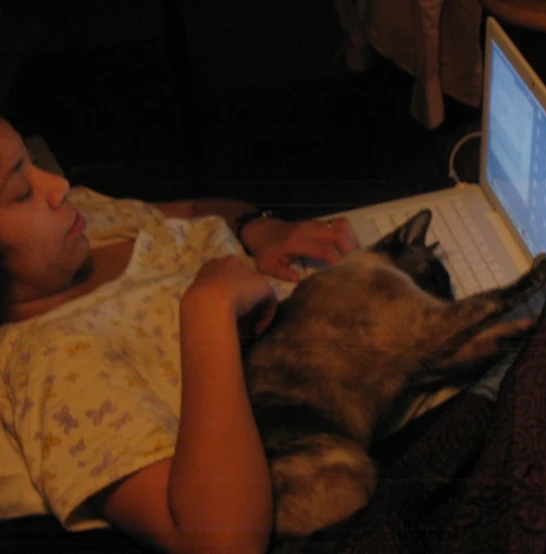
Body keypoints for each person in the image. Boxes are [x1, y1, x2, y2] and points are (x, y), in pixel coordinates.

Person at [0, 116, 359, 554]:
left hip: (332, 300)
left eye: (33, 161)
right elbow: (222, 543)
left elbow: (189, 212)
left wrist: (256, 226)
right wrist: (208, 309)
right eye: (20, 192)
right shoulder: (54, 362)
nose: (58, 183)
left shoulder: (77, 226)